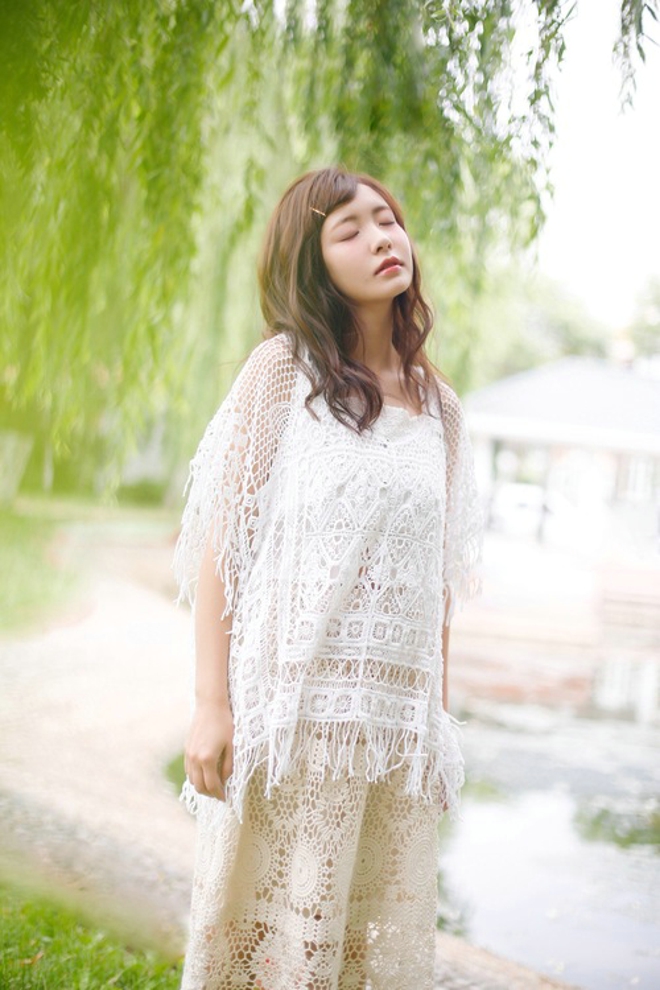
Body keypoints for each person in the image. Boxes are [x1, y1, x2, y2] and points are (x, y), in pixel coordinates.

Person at [173, 166, 483, 990]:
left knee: (360, 957)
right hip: (289, 715)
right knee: (259, 947)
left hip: (386, 730)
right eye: (350, 230)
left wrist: (433, 728)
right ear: (313, 264)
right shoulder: (284, 371)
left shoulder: (443, 410)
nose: (382, 238)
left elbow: (435, 586)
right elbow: (224, 548)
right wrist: (211, 704)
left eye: (387, 219)